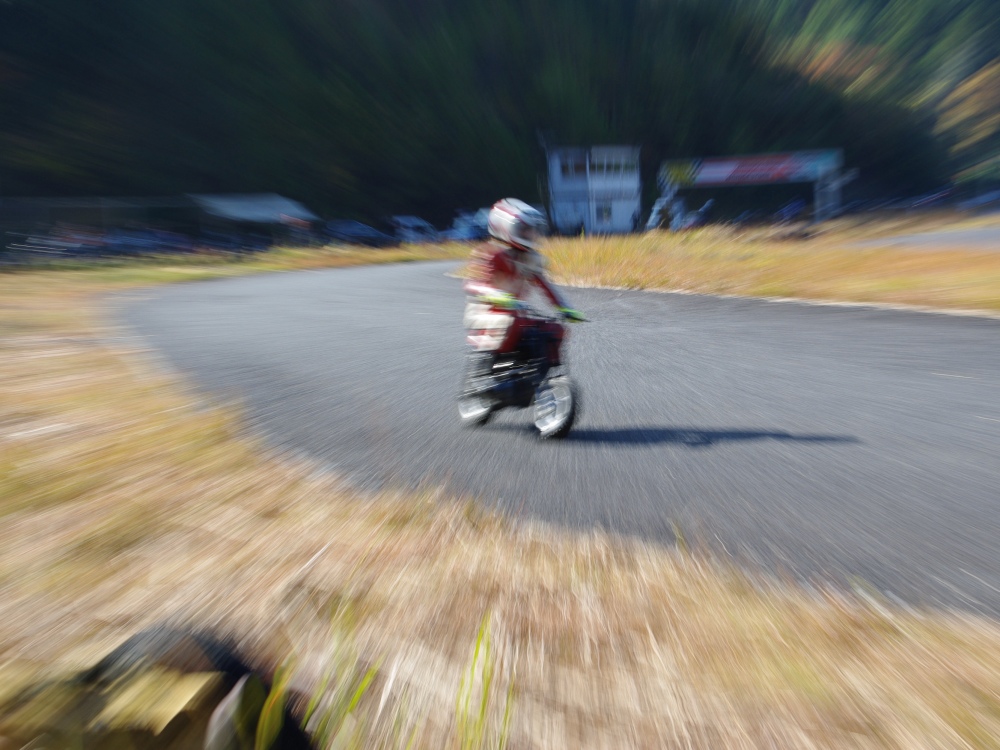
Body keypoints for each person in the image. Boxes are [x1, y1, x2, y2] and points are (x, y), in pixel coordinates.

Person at [463, 198, 585, 372]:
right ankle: (499, 370)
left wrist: (564, 308)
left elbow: (545, 286)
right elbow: (474, 285)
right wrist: (496, 295)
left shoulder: (531, 258)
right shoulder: (490, 254)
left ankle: (546, 375)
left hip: (516, 315)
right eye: (523, 229)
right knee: (512, 323)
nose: (530, 234)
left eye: (532, 230)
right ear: (504, 227)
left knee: (553, 330)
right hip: (486, 314)